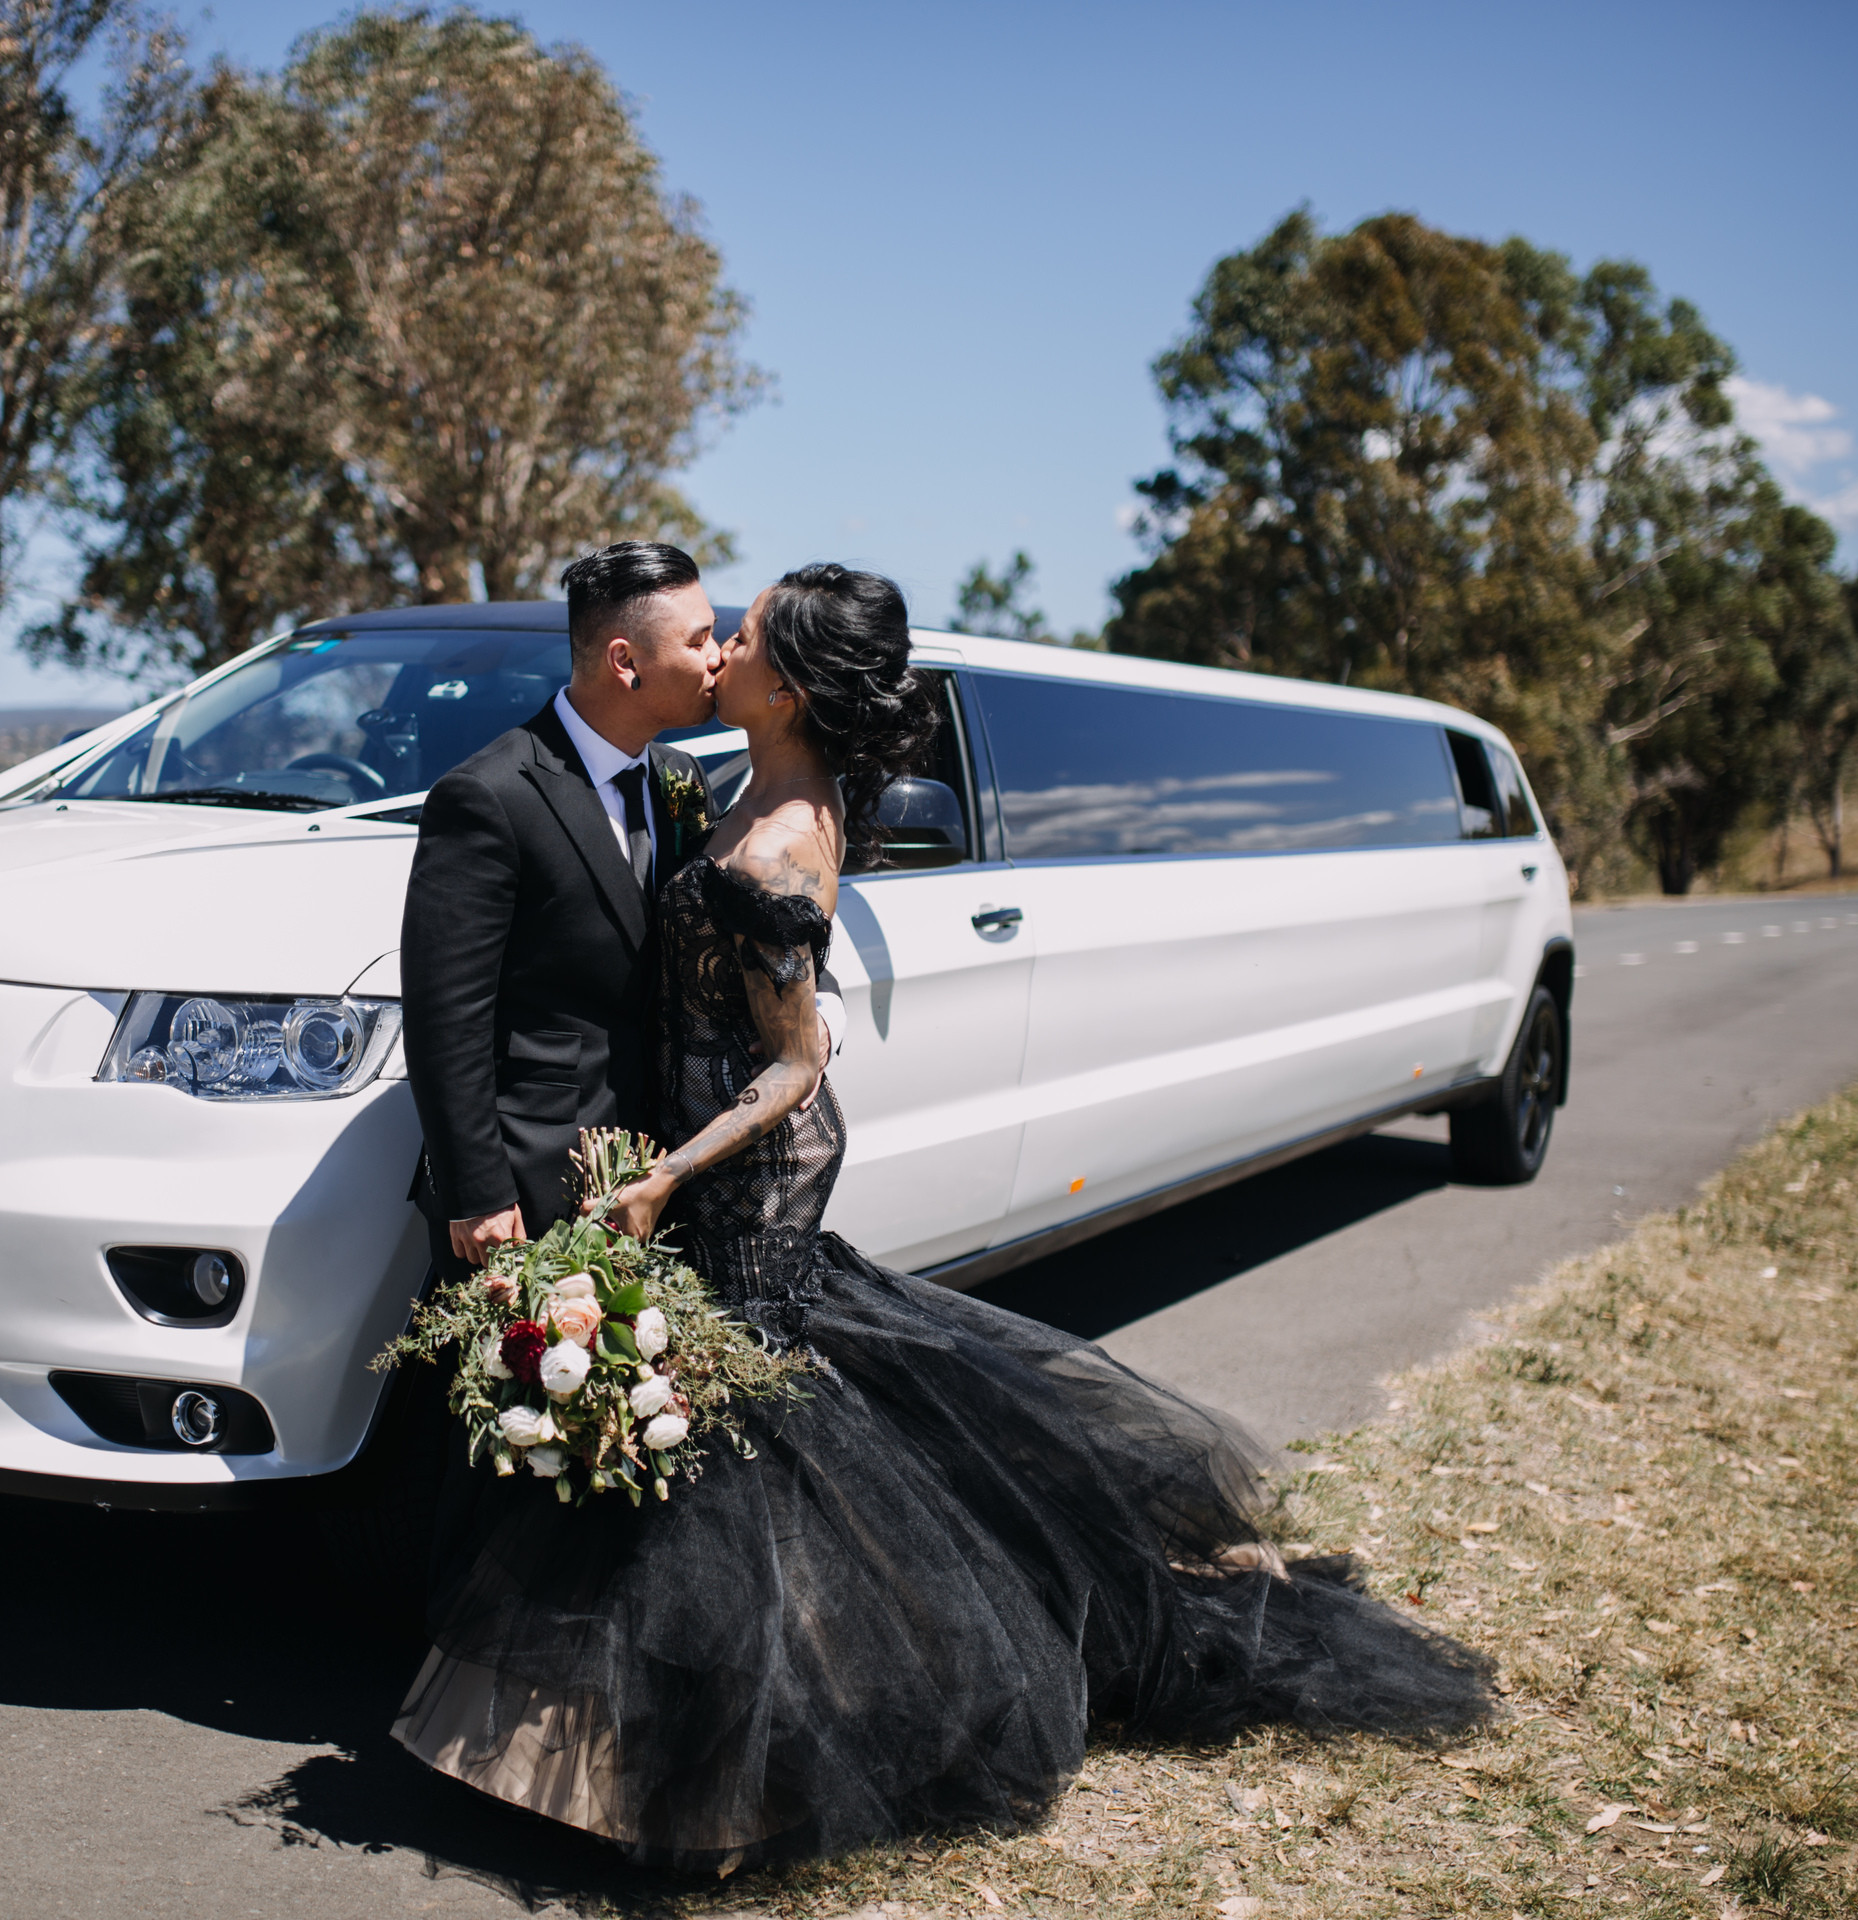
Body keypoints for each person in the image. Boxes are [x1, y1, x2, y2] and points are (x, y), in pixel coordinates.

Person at [393, 563, 1495, 1871]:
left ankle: (748, 1757)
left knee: (743, 1448)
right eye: (709, 633)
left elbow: (797, 1060)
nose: (720, 652)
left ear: (787, 685)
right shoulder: (687, 785)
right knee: (716, 1440)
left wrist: (669, 1171)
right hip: (659, 1167)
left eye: (736, 638)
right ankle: (628, 1737)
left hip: (736, 1173)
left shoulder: (781, 826)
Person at [399, 540, 839, 1282]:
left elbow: (752, 924)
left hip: (659, 1173)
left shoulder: (681, 779)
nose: (717, 660)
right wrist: (477, 1191)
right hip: (530, 1178)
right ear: (625, 662)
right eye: (699, 640)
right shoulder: (489, 797)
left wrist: (818, 1007)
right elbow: (446, 1017)